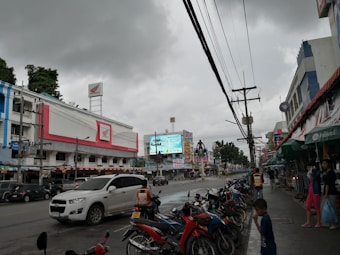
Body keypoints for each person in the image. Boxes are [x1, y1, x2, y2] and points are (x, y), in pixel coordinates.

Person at [301, 161, 321, 228]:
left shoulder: (316, 172)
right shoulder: (309, 173)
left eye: (309, 167)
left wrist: (312, 171)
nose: (308, 168)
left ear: (313, 166)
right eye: (307, 167)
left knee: (317, 207)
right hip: (310, 191)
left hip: (316, 191)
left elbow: (315, 178)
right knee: (307, 206)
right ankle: (308, 222)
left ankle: (318, 222)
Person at [321, 159, 340, 229]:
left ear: (328, 164)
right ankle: (330, 222)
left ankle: (335, 223)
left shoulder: (331, 173)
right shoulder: (326, 172)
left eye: (324, 164)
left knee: (332, 208)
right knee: (328, 208)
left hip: (331, 192)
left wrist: (326, 194)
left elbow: (327, 184)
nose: (323, 165)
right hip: (329, 192)